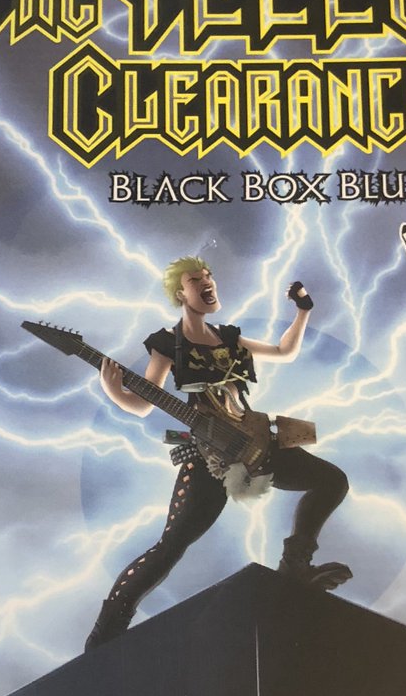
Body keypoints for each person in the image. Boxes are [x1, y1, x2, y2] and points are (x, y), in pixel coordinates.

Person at [86, 256, 349, 649]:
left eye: (208, 276)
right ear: (181, 294)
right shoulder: (167, 344)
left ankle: (295, 567)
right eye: (196, 280)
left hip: (256, 440)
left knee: (332, 481)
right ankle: (106, 634)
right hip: (210, 454)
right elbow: (143, 403)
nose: (207, 282)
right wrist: (115, 391)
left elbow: (284, 351)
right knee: (172, 545)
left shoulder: (229, 337)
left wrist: (303, 310)